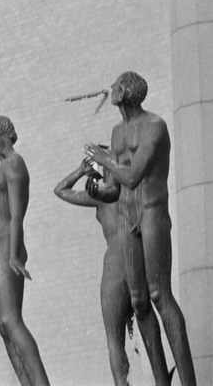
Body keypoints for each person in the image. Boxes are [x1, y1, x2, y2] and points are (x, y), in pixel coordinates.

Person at [85, 72, 197, 386]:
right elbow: (118, 189)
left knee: (160, 295)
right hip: (127, 217)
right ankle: (163, 382)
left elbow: (133, 175)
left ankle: (189, 382)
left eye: (117, 86)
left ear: (129, 92)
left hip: (151, 213)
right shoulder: (117, 132)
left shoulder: (154, 126)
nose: (112, 90)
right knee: (139, 301)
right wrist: (99, 191)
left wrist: (103, 161)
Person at [53, 159, 171, 386]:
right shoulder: (127, 193)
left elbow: (60, 190)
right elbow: (59, 191)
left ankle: (124, 383)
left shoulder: (102, 196)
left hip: (116, 264)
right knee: (144, 317)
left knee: (114, 338)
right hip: (135, 260)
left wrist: (80, 171)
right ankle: (161, 381)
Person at [0, 115, 51, 386]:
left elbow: (17, 215)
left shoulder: (15, 163)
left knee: (11, 319)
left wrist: (14, 255)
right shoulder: (4, 164)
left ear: (0, 133)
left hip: (7, 242)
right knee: (1, 324)